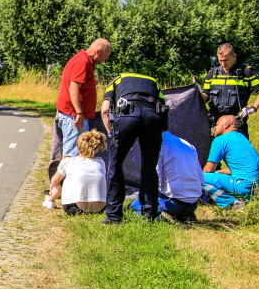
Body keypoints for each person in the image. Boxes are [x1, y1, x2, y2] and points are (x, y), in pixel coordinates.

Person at [101, 73, 168, 224]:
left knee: (115, 164)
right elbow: (164, 110)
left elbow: (105, 110)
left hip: (127, 116)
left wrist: (111, 134)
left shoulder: (117, 79)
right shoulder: (154, 82)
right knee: (150, 166)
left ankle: (113, 216)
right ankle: (149, 214)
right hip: (152, 118)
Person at [129, 131, 204, 222]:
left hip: (173, 203)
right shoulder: (188, 145)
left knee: (133, 206)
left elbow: (155, 180)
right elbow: (201, 180)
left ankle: (163, 217)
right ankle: (184, 215)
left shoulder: (158, 145)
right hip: (193, 204)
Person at [55, 39, 111, 160]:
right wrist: (79, 113)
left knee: (76, 151)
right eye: (106, 56)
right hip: (74, 116)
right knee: (72, 153)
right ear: (98, 51)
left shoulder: (86, 61)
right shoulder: (82, 62)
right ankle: (62, 179)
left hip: (73, 115)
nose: (106, 59)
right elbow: (73, 88)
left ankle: (66, 178)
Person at [201, 43, 259, 140]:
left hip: (236, 125)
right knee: (215, 154)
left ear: (234, 56)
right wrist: (196, 93)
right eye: (220, 60)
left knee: (237, 154)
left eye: (226, 60)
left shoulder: (246, 72)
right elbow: (205, 97)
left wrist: (253, 108)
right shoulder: (212, 74)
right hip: (215, 125)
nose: (223, 64)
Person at [202, 115, 259, 211]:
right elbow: (239, 167)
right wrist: (218, 173)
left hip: (246, 186)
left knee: (200, 177)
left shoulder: (220, 140)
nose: (214, 128)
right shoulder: (241, 137)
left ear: (225, 125)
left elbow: (208, 170)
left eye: (217, 125)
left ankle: (232, 203)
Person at [43, 130, 107, 215]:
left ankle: (50, 200)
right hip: (101, 208)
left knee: (58, 180)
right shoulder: (100, 162)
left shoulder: (68, 161)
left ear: (77, 146)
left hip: (75, 208)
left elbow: (54, 181)